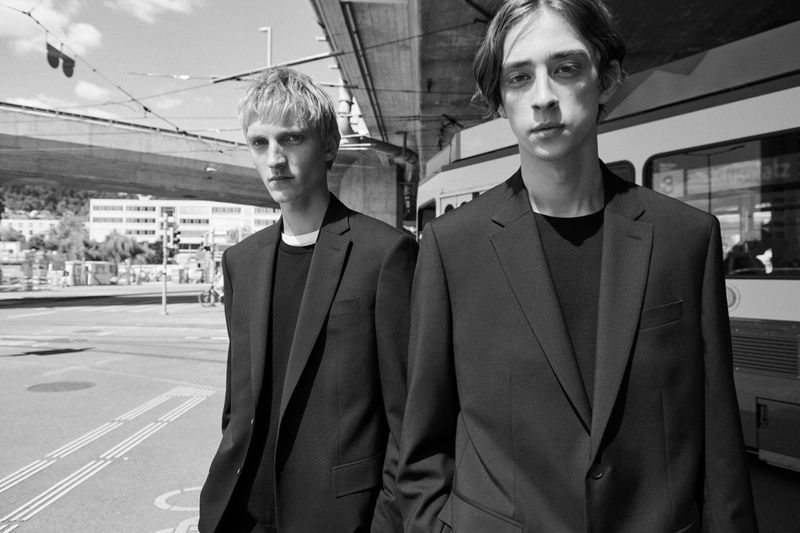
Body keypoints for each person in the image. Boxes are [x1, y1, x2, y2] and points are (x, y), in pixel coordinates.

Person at [397, 1, 757, 532]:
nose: (543, 97)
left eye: (565, 68)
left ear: (607, 77)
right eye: (518, 77)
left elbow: (720, 446)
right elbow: (422, 449)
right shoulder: (452, 249)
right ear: (500, 100)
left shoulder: (686, 239)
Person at [199, 66, 417, 533]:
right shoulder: (242, 261)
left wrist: (385, 523)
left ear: (329, 147)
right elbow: (240, 404)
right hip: (243, 514)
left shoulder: (384, 255)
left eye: (291, 139)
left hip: (338, 518)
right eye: (260, 143)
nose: (274, 159)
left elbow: (409, 419)